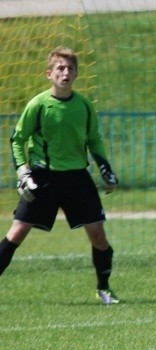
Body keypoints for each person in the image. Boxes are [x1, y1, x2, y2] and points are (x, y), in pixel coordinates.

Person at [1, 46, 121, 305]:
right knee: (17, 232)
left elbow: (94, 140)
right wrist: (22, 171)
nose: (65, 73)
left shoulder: (85, 106)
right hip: (43, 177)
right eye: (60, 68)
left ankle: (104, 288)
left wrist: (104, 168)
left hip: (77, 178)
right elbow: (17, 139)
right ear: (49, 73)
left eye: (70, 69)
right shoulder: (39, 104)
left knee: (98, 234)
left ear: (76, 74)